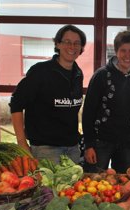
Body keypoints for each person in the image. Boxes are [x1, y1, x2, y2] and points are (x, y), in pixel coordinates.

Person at [9, 24, 86, 164]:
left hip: (72, 148)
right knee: (48, 186)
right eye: (67, 42)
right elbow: (16, 103)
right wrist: (21, 142)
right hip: (46, 149)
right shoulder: (40, 72)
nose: (72, 46)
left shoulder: (78, 74)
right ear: (57, 44)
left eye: (77, 43)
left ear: (81, 48)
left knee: (74, 186)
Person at [82, 29, 130, 173]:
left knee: (124, 184)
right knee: (94, 183)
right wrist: (89, 145)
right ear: (116, 51)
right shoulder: (101, 75)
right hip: (100, 142)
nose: (127, 55)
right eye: (123, 50)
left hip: (128, 143)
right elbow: (88, 112)